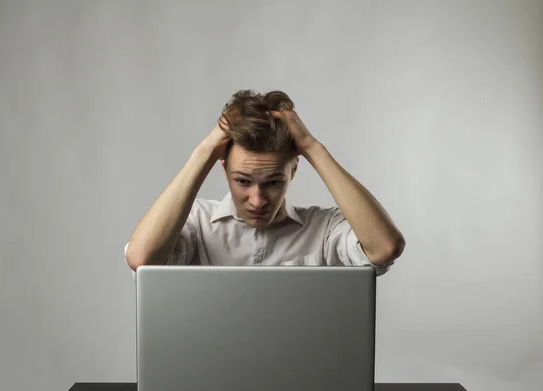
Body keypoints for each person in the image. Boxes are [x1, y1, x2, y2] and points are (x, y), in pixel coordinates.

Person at [124, 89, 405, 276]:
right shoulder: (195, 223)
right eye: (243, 181)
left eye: (272, 182)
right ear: (223, 169)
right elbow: (141, 258)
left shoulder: (322, 230)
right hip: (206, 367)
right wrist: (205, 151)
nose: (257, 200)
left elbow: (384, 248)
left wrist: (312, 147)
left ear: (293, 170)